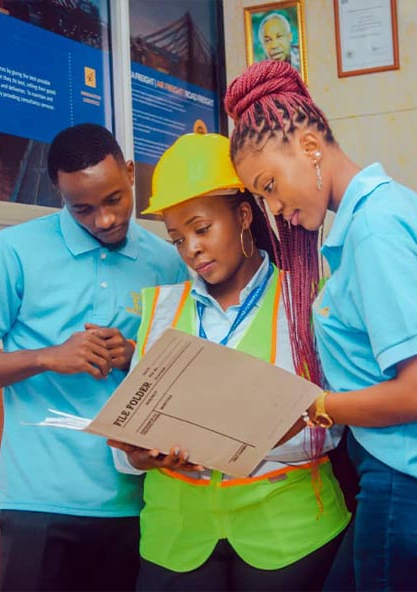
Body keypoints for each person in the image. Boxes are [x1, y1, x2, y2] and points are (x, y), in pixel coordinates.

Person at [224, 60, 417, 590]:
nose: (274, 208)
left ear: (310, 146)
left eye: (270, 186)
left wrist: (315, 409)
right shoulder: (401, 204)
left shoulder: (373, 232)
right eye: (262, 197)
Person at [0, 123, 188, 591]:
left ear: (131, 173)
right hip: (38, 503)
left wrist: (133, 355)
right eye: (83, 208)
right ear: (60, 194)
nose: (104, 219)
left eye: (114, 199)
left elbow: (180, 374)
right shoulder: (15, 251)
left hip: (137, 502)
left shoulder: (167, 261)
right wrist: (47, 357)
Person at [109, 131, 350, 591]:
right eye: (177, 239)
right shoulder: (159, 310)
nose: (191, 249)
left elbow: (335, 424)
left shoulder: (305, 300)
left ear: (242, 216)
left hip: (288, 536)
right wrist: (138, 456)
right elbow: (127, 437)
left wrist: (238, 437)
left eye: (202, 229)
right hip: (176, 540)